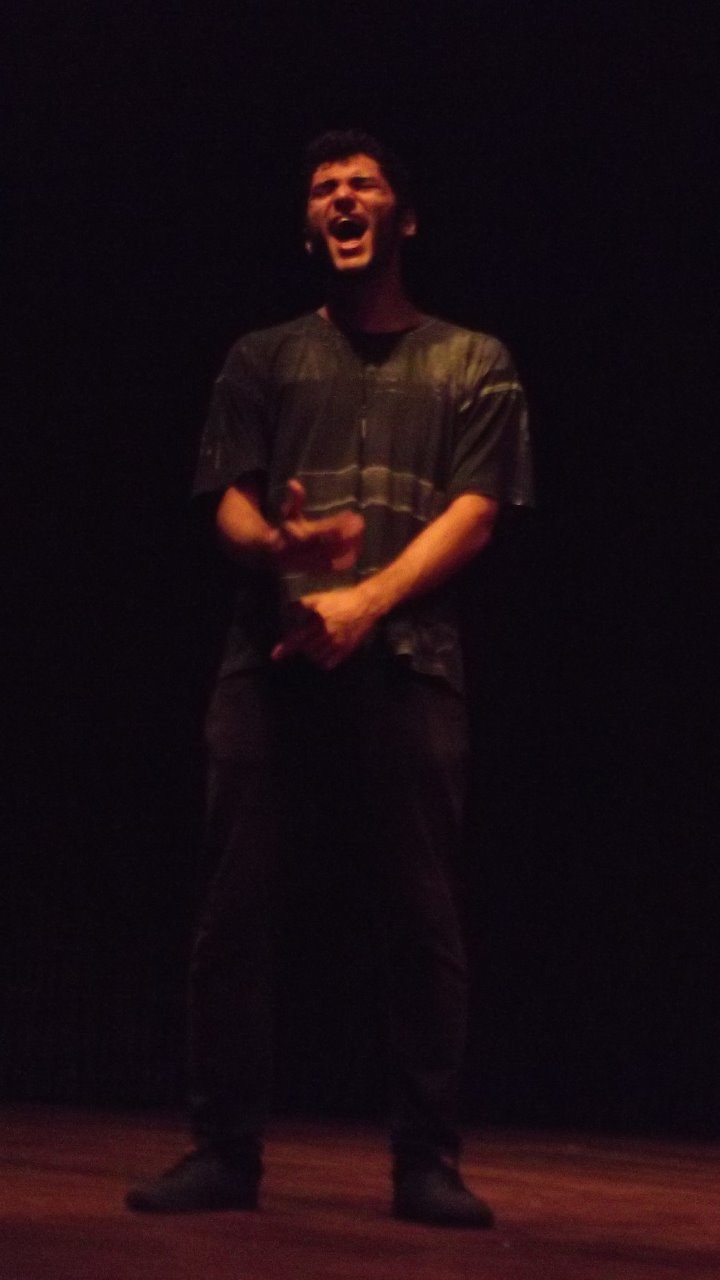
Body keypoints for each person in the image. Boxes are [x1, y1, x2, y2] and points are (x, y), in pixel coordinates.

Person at [126, 129, 533, 1227]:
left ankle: (427, 1161)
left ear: (406, 217)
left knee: (423, 918)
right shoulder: (261, 357)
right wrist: (279, 549)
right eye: (323, 190)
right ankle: (223, 1150)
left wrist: (367, 598)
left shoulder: (473, 360)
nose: (342, 198)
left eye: (363, 185)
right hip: (271, 660)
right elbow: (229, 499)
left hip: (412, 663)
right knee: (233, 911)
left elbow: (476, 511)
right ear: (310, 227)